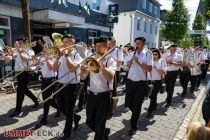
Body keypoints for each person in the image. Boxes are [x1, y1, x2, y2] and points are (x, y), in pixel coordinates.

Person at [80, 36, 117, 140]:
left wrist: (101, 65)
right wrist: (83, 69)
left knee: (100, 125)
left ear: (106, 46)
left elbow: (110, 77)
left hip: (104, 96)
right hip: (91, 95)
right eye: (96, 46)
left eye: (100, 46)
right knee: (89, 122)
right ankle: (104, 132)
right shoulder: (91, 58)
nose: (97, 48)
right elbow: (82, 77)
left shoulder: (110, 60)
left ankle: (101, 133)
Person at [53, 34, 82, 139]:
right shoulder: (60, 54)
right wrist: (57, 57)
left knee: (69, 111)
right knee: (60, 107)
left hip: (72, 85)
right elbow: (54, 68)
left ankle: (67, 134)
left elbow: (72, 68)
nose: (64, 44)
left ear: (72, 43)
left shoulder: (77, 54)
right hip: (61, 84)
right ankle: (76, 117)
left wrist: (66, 55)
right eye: (63, 42)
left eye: (67, 42)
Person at [25, 43, 59, 129]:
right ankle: (59, 108)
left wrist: (46, 58)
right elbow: (37, 67)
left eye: (45, 47)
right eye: (43, 47)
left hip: (52, 79)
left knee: (46, 100)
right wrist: (28, 69)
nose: (43, 48)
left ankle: (44, 118)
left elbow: (51, 68)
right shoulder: (42, 57)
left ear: (50, 49)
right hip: (44, 80)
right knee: (47, 99)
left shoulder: (54, 56)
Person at [124, 37, 152, 135]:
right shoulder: (132, 53)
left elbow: (149, 69)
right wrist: (128, 64)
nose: (137, 45)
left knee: (137, 106)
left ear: (143, 44)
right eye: (136, 43)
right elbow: (125, 68)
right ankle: (136, 114)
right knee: (128, 103)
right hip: (130, 82)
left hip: (141, 83)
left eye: (139, 43)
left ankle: (133, 125)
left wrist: (139, 62)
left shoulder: (148, 54)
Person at [4, 37, 39, 117]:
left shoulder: (30, 51)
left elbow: (24, 58)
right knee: (24, 90)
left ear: (25, 43)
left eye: (20, 43)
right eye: (18, 43)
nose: (19, 44)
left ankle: (18, 109)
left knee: (20, 91)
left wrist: (19, 50)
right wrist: (7, 57)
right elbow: (13, 57)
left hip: (25, 72)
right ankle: (35, 99)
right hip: (18, 72)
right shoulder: (18, 50)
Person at [146, 49, 166, 118]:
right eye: (153, 54)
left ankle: (149, 111)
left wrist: (155, 68)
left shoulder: (161, 61)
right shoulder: (149, 61)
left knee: (153, 95)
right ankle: (154, 103)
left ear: (159, 55)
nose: (154, 56)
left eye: (156, 54)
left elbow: (163, 72)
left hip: (157, 82)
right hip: (149, 81)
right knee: (150, 96)